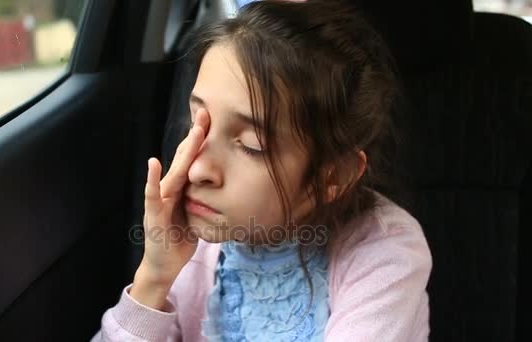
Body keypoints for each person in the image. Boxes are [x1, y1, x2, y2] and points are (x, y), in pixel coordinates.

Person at [92, 0, 432, 340]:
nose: (197, 169)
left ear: (334, 176)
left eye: (251, 145)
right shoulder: (200, 243)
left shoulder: (386, 253)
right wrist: (154, 277)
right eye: (197, 124)